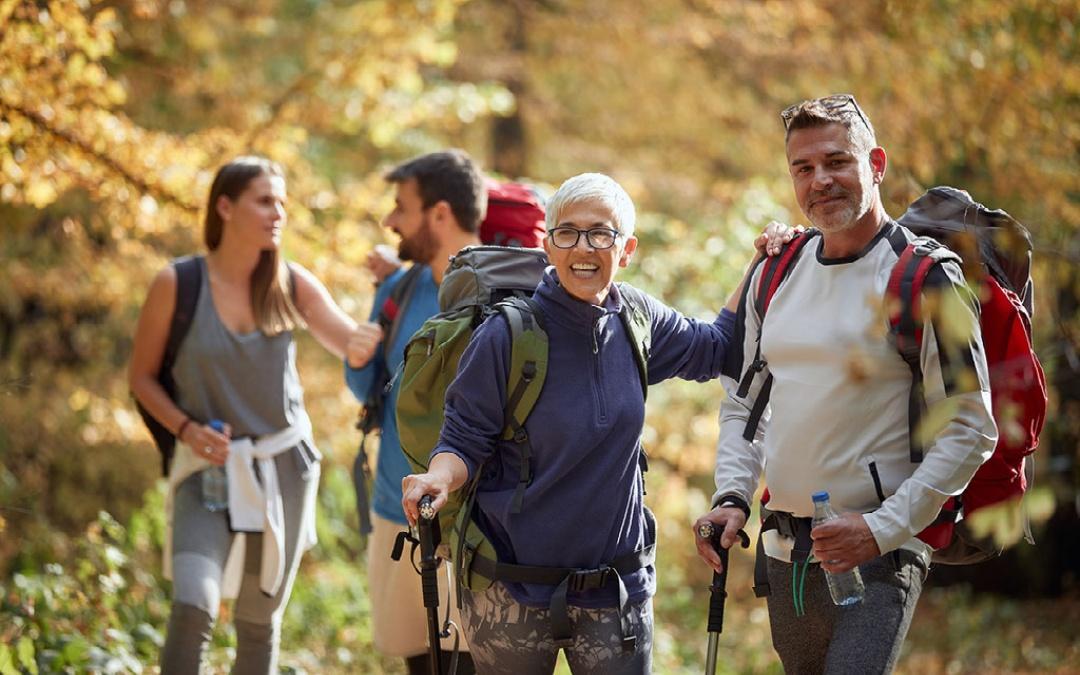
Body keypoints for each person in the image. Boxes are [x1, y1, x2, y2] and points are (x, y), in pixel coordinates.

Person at [400, 172, 792, 675]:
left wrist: (762, 262)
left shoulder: (637, 318)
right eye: (567, 232)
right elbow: (462, 438)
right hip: (510, 589)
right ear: (548, 244)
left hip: (616, 588)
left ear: (626, 249)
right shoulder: (506, 335)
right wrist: (438, 477)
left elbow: (720, 346)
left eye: (600, 233)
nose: (582, 247)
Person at [693, 95, 997, 674]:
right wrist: (732, 495)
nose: (820, 181)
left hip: (880, 555)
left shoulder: (927, 279)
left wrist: (882, 530)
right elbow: (742, 404)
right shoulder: (774, 270)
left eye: (837, 162)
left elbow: (969, 425)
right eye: (803, 169)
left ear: (876, 164)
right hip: (787, 556)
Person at [129, 156, 369, 673]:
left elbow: (351, 343)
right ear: (224, 206)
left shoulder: (290, 283)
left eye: (282, 202)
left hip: (283, 471)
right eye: (264, 200)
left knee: (259, 624)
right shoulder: (177, 284)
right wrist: (187, 430)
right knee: (192, 606)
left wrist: (399, 294)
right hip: (205, 471)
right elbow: (142, 378)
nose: (277, 212)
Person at [344, 150, 484, 674]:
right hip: (394, 510)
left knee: (472, 665)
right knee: (421, 665)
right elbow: (369, 389)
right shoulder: (399, 288)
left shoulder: (499, 290)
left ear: (440, 214)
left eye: (402, 206)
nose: (390, 220)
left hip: (476, 524)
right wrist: (357, 356)